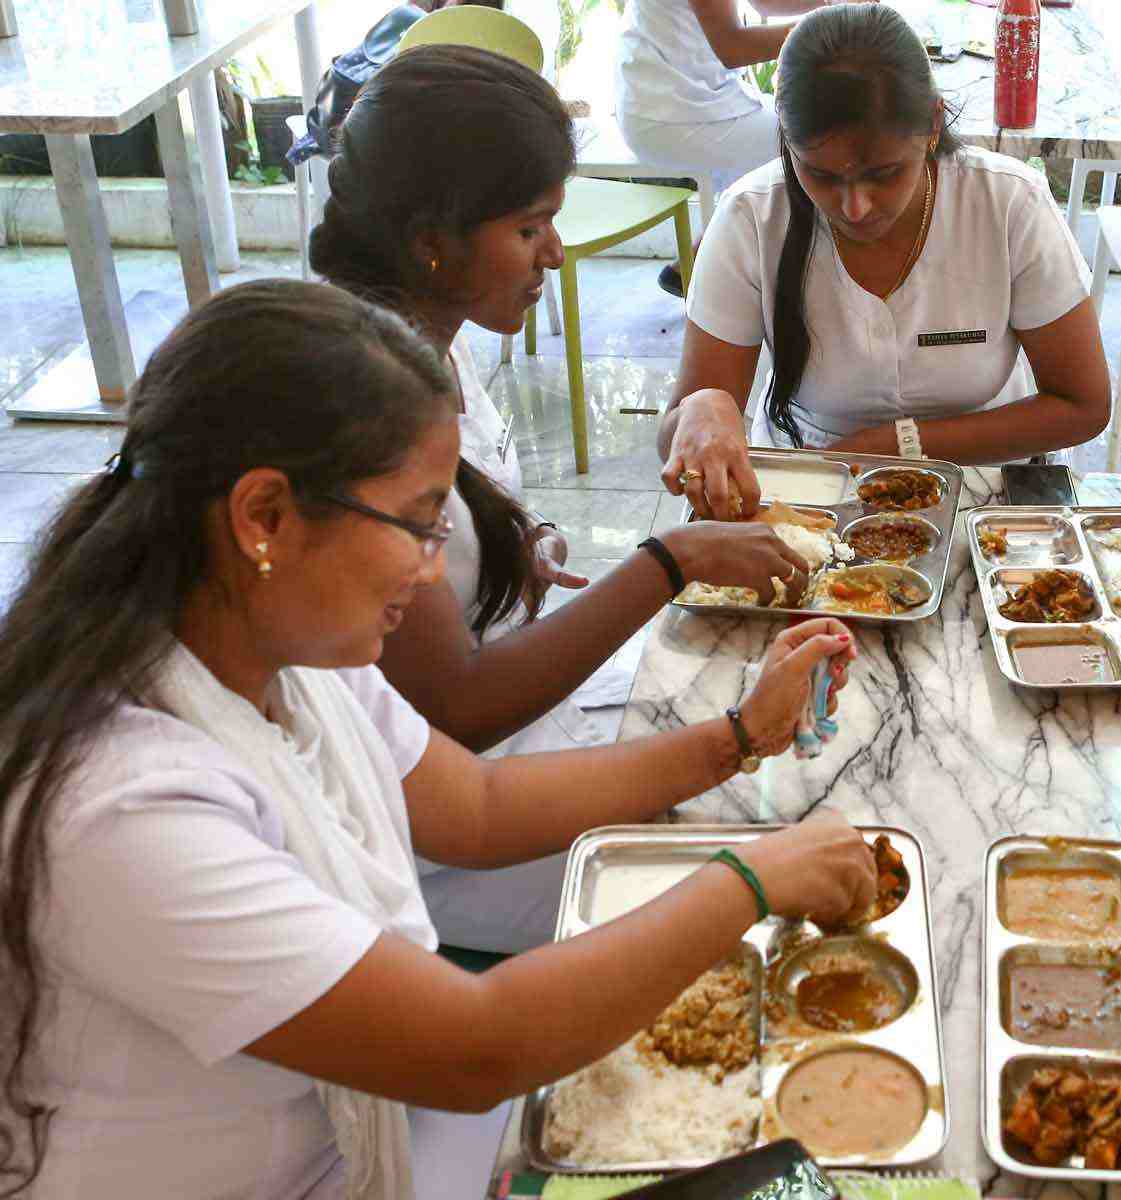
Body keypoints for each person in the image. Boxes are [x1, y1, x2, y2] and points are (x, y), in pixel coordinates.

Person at [0, 280, 875, 1200]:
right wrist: (749, 880)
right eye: (420, 526)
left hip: (340, 1136)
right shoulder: (112, 807)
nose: (434, 572)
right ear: (264, 518)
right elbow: (473, 1048)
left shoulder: (286, 651)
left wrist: (739, 735)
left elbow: (476, 807)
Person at [313, 45, 816, 953]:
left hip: (509, 740)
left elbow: (466, 516)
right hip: (436, 827)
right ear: (431, 239)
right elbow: (456, 708)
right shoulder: (355, 404)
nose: (554, 252)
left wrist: (516, 542)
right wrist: (668, 563)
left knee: (760, 712)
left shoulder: (431, 335)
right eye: (528, 228)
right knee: (764, 867)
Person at [658, 4, 1111, 520]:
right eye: (822, 176)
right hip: (812, 484)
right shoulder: (750, 217)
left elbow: (1083, 404)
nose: (855, 207)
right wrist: (701, 412)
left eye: (884, 173)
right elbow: (676, 435)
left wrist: (896, 446)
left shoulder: (1008, 203)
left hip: (986, 480)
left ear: (933, 125)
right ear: (786, 139)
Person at [617, 0, 847, 297]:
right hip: (671, 113)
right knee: (813, 142)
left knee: (801, 134)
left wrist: (833, 4)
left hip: (676, 101)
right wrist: (832, 28)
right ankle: (713, 271)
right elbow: (734, 47)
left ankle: (694, 265)